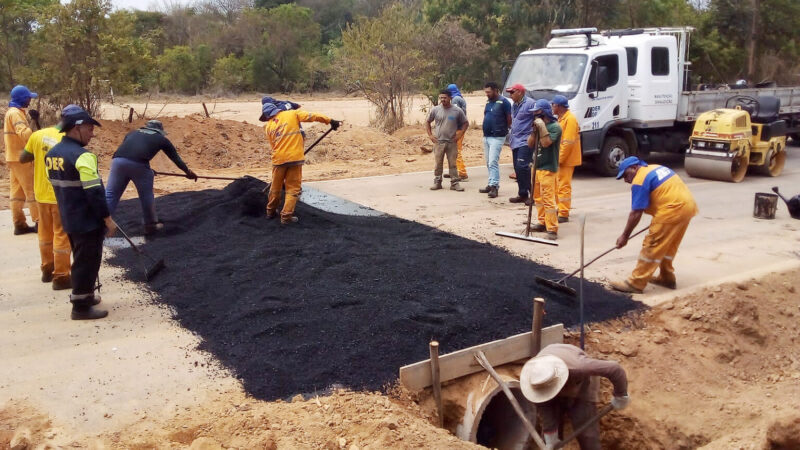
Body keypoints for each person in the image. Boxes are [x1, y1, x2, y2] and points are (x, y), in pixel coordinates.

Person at [46, 106, 116, 320]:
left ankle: (87, 295)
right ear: (76, 128)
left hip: (68, 215)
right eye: (88, 128)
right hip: (87, 220)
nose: (92, 133)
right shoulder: (83, 157)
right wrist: (107, 218)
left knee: (81, 257)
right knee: (88, 261)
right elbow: (94, 192)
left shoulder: (52, 154)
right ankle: (81, 307)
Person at [611, 156, 698, 293]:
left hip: (672, 210)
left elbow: (635, 213)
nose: (626, 180)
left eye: (626, 175)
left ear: (634, 168)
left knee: (652, 245)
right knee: (668, 246)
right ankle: (666, 277)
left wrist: (625, 236)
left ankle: (636, 283)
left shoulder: (639, 179)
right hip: (687, 207)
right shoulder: (655, 168)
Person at [520, 343, 630, 450]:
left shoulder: (578, 368)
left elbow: (615, 369)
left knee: (587, 435)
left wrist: (621, 395)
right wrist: (551, 439)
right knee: (550, 439)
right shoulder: (536, 384)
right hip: (551, 388)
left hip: (581, 388)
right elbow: (545, 410)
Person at [19, 106, 77, 290]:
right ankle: (61, 276)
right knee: (62, 234)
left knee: (45, 233)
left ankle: (47, 268)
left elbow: (23, 158)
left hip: (41, 195)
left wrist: (39, 149)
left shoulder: (38, 135)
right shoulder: (70, 140)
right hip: (60, 194)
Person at [105, 120, 197, 235]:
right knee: (146, 195)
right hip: (138, 164)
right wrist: (187, 172)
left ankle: (101, 223)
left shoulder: (132, 133)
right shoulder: (161, 139)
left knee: (111, 194)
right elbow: (175, 158)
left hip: (117, 162)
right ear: (159, 131)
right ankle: (151, 225)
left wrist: (146, 168)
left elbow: (129, 152)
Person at [261, 102, 341, 224]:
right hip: (294, 158)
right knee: (293, 188)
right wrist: (330, 120)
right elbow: (312, 116)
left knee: (275, 187)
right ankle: (286, 217)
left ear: (267, 116)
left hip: (278, 160)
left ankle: (270, 212)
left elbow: (273, 146)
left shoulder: (268, 127)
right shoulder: (292, 114)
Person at [4, 85, 40, 234]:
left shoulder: (11, 113)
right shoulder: (16, 114)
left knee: (17, 193)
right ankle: (39, 221)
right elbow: (25, 135)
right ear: (23, 98)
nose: (30, 100)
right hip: (22, 159)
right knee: (32, 190)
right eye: (28, 97)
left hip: (13, 158)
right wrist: (33, 120)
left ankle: (19, 224)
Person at [528, 99, 562, 240]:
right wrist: (534, 131)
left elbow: (546, 143)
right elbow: (530, 144)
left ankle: (552, 228)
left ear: (544, 112)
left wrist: (542, 128)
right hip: (536, 166)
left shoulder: (555, 127)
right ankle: (542, 222)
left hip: (548, 167)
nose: (535, 115)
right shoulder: (537, 126)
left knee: (548, 199)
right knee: (538, 198)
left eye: (537, 113)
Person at [425, 89, 468, 192]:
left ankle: (455, 183)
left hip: (452, 142)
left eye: (445, 97)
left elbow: (465, 123)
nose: (443, 100)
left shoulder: (457, 110)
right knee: (438, 164)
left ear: (450, 98)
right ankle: (437, 182)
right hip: (439, 142)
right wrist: (430, 135)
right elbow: (427, 122)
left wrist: (460, 134)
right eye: (441, 98)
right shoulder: (435, 110)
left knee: (453, 164)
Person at [551, 95, 582, 223]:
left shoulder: (570, 119)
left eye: (553, 105)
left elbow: (567, 143)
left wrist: (559, 159)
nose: (551, 107)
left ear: (559, 106)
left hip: (566, 159)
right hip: (563, 157)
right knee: (559, 185)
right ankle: (561, 209)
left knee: (563, 186)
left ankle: (563, 213)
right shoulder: (562, 119)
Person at [478, 82, 511, 198]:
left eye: (488, 92)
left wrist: (503, 129)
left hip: (497, 137)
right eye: (485, 92)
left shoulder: (504, 102)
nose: (487, 94)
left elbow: (509, 119)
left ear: (495, 90)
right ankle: (490, 183)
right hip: (486, 136)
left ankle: (495, 187)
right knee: (488, 162)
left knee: (493, 162)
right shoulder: (488, 102)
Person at [505, 83, 536, 205]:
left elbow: (538, 118)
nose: (510, 95)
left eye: (512, 92)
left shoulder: (530, 103)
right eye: (510, 93)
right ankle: (522, 194)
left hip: (526, 141)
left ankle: (532, 194)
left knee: (523, 167)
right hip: (515, 141)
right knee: (518, 168)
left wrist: (533, 134)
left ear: (520, 92)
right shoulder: (514, 105)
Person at [446, 83, 469, 181]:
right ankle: (454, 171)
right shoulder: (460, 98)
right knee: (453, 150)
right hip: (460, 127)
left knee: (456, 151)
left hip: (458, 129)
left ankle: (462, 173)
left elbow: (455, 114)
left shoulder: (455, 100)